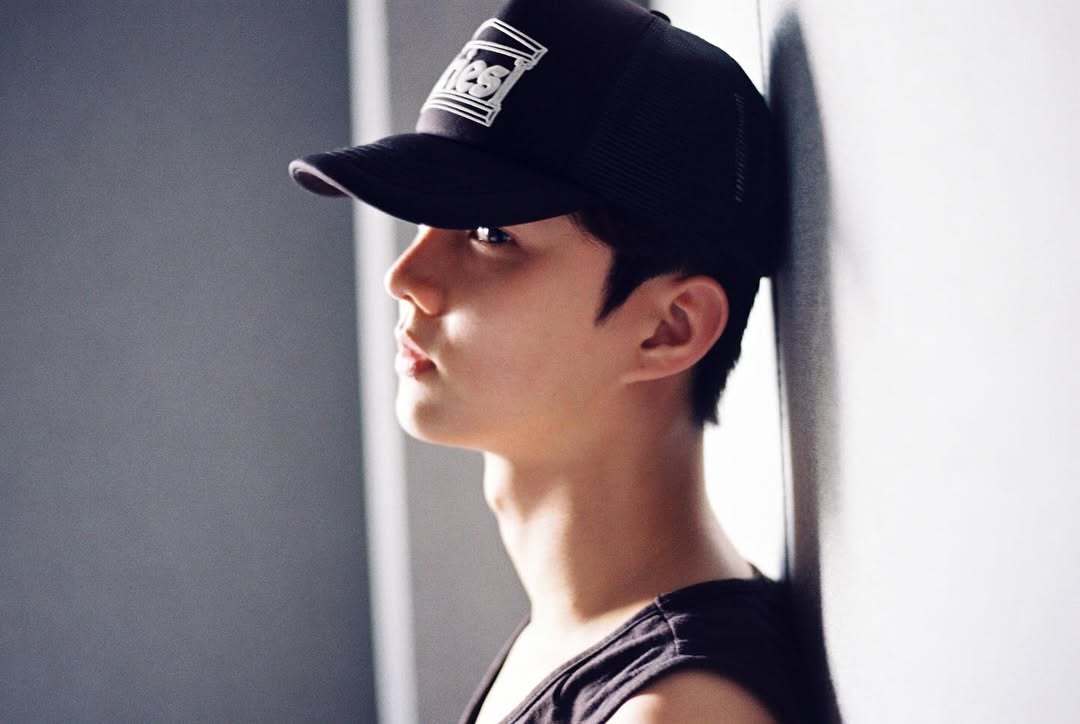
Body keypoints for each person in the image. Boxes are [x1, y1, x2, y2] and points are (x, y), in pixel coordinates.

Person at [288, 0, 810, 721]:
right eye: (425, 220)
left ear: (669, 328)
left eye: (488, 233)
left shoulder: (673, 710)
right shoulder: (574, 637)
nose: (406, 277)